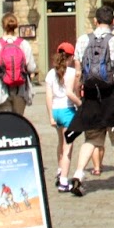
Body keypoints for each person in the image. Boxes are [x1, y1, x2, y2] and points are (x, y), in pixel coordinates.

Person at [66, 4, 114, 195]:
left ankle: (79, 173)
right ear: (113, 22)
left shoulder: (82, 40)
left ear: (95, 21)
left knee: (92, 138)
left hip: (90, 95)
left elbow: (78, 72)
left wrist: (78, 93)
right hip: (112, 95)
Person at [0, 13, 37, 116]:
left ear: (2, 25)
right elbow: (31, 68)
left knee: (4, 120)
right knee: (18, 120)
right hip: (20, 88)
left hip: (0, 88)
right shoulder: (24, 43)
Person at [45, 41, 79, 191]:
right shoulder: (71, 72)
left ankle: (60, 170)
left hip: (56, 111)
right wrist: (80, 104)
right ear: (71, 57)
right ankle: (64, 181)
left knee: (60, 142)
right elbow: (72, 93)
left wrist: (50, 116)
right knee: (68, 148)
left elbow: (48, 96)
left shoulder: (50, 73)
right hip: (67, 111)